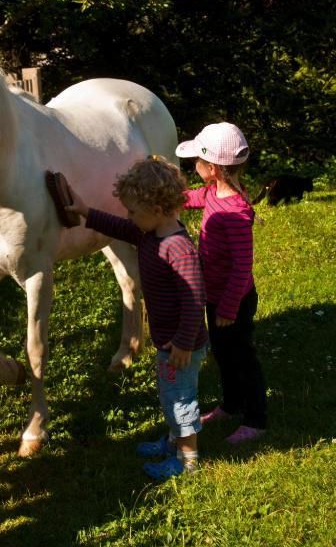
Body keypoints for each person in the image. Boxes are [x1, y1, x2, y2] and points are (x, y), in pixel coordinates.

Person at [66, 157, 208, 481]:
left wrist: (184, 343)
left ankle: (188, 462)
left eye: (133, 211)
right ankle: (173, 441)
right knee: (169, 395)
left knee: (181, 400)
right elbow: (118, 227)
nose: (128, 216)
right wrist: (85, 212)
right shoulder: (149, 233)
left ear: (157, 210)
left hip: (181, 345)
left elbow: (194, 299)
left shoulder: (178, 248)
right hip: (168, 341)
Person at [176, 122, 267, 444]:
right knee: (223, 353)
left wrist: (228, 307)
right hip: (216, 296)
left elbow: (243, 266)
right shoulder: (216, 192)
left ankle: (256, 419)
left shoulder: (235, 212)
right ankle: (232, 405)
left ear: (211, 168)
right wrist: (171, 198)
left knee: (242, 356)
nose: (193, 167)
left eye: (196, 163)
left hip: (235, 300)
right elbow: (196, 197)